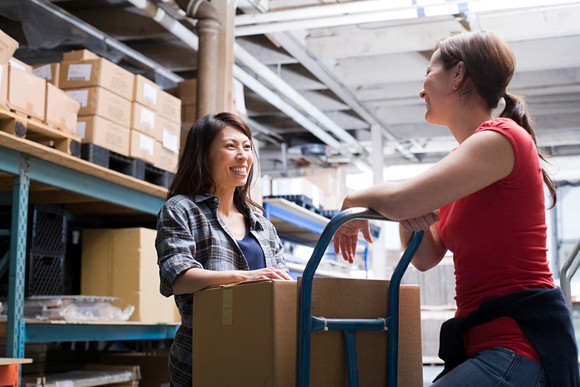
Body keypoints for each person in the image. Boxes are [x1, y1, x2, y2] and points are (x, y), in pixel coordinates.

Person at [334, 30, 579, 386]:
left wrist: (355, 198)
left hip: (521, 344)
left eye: (429, 73)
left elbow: (404, 198)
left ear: (458, 74)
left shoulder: (501, 138)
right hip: (485, 344)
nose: (422, 89)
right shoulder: (464, 164)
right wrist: (408, 214)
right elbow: (426, 255)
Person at [155, 112, 293, 386]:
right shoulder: (181, 209)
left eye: (246, 146)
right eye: (230, 146)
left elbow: (282, 287)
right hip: (202, 358)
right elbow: (179, 277)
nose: (242, 155)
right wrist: (247, 277)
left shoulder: (263, 225)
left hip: (261, 356)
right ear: (202, 155)